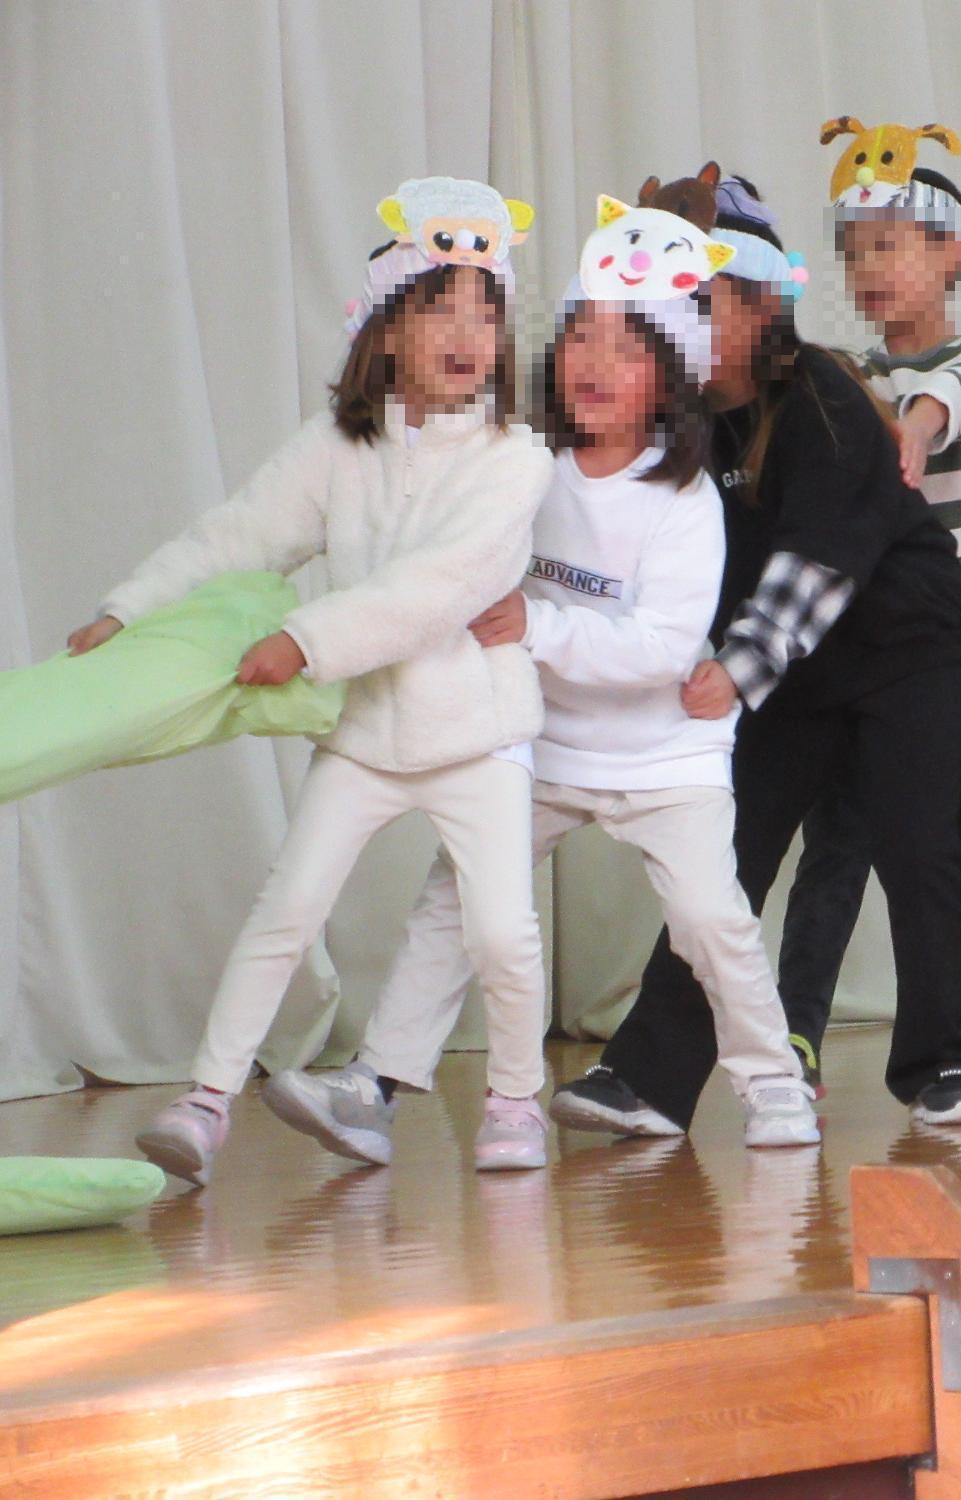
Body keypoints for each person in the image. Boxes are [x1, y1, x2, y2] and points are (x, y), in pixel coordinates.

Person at [262, 193, 818, 1165]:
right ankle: (375, 1084)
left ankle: (771, 1082)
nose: (596, 363)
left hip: (664, 754)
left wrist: (538, 626)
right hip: (541, 740)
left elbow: (660, 647)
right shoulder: (526, 462)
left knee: (710, 919)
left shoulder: (684, 499)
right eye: (582, 337)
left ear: (673, 380)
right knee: (456, 902)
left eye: (629, 348)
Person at [66, 178, 554, 1184]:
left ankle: (515, 1102)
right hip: (368, 732)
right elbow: (237, 535)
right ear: (388, 329)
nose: (468, 335)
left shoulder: (516, 459)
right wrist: (129, 609)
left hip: (479, 734)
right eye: (442, 310)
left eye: (486, 314)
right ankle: (206, 1101)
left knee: (503, 932)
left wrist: (305, 637)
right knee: (286, 908)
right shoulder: (339, 444)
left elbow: (436, 589)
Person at [549, 173, 961, 1135]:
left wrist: (737, 670)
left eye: (706, 305)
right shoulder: (681, 421)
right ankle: (650, 1078)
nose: (686, 326)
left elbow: (819, 561)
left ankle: (949, 1062)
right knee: (726, 858)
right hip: (796, 673)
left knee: (918, 848)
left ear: (762, 307)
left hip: (902, 649)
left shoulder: (823, 400)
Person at [777, 164, 961, 1101]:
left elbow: (960, 393)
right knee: (838, 845)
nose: (869, 270)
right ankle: (794, 1034)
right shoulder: (849, 379)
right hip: (877, 660)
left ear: (951, 255)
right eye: (854, 254)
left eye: (890, 247)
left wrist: (918, 425)